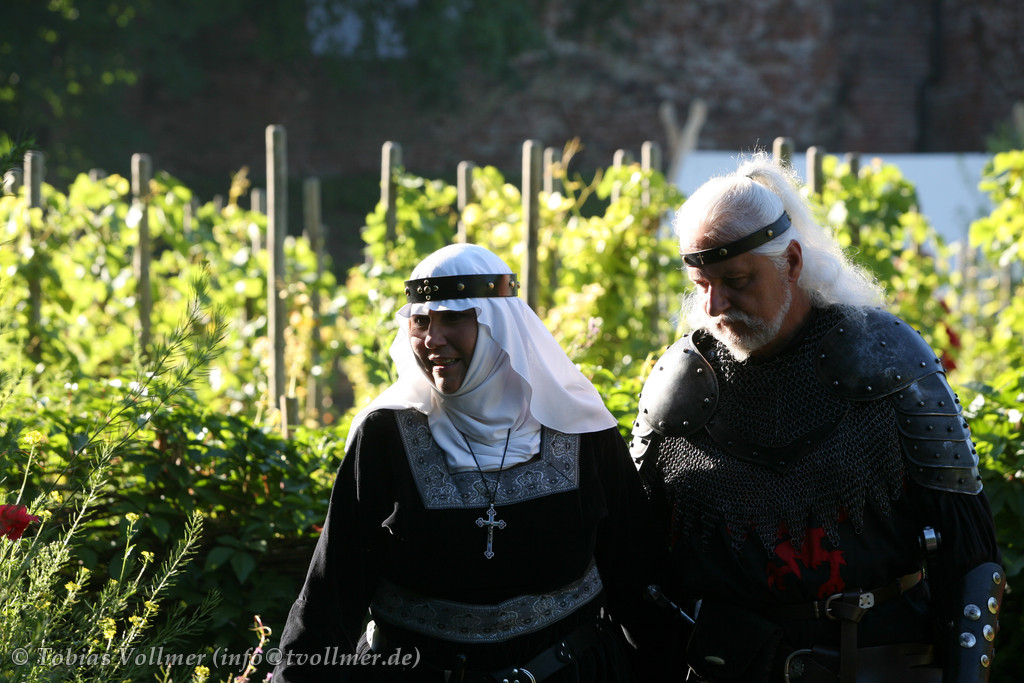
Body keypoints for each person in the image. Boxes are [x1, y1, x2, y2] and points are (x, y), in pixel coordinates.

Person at [629, 153, 1004, 683]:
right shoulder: (682, 384)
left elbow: (971, 556)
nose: (714, 306)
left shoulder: (884, 359)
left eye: (736, 280)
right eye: (701, 283)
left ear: (792, 261)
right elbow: (638, 566)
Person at [274, 243, 674, 683]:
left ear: (498, 325)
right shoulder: (385, 435)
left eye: (453, 318)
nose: (432, 339)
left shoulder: (580, 427)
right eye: (420, 321)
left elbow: (636, 577)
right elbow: (334, 590)